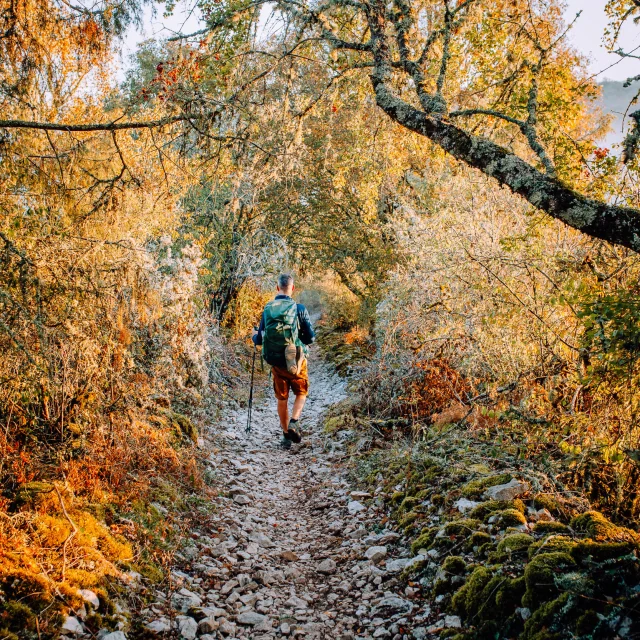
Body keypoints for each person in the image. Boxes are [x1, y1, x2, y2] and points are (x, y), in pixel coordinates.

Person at [252, 273, 315, 449]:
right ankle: (294, 421)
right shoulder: (299, 308)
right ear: (292, 288)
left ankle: (286, 436)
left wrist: (253, 335)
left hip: (277, 362)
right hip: (296, 361)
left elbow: (259, 339)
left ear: (277, 287)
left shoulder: (268, 309)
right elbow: (310, 338)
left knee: (282, 398)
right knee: (301, 392)